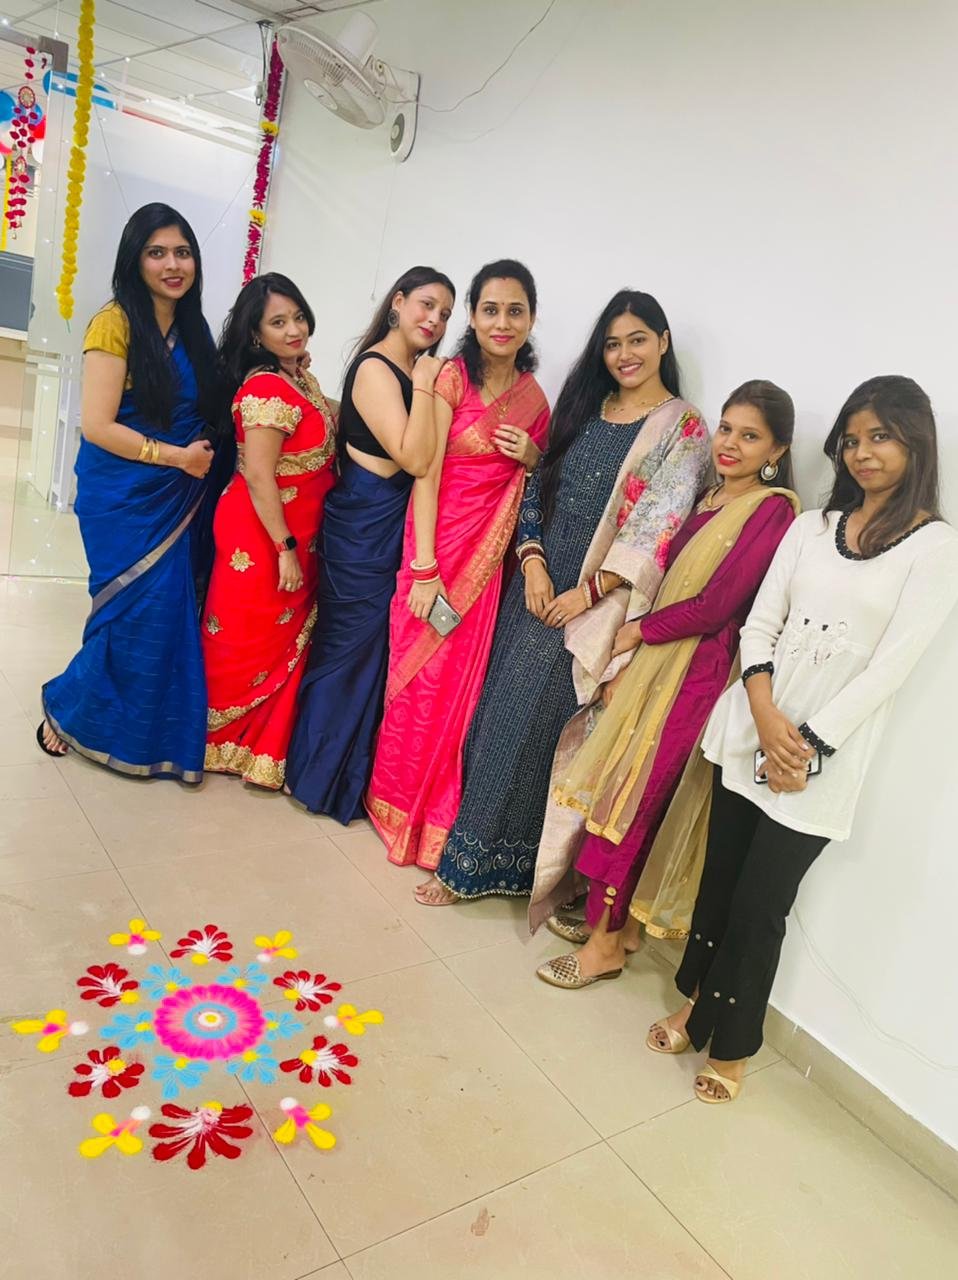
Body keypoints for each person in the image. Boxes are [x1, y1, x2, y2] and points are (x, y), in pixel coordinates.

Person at [644, 375, 958, 1103]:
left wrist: (805, 746)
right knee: (720, 884)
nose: (862, 453)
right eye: (852, 439)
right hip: (753, 729)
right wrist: (763, 714)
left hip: (820, 761)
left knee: (762, 906)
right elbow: (761, 624)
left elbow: (891, 668)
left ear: (916, 442)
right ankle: (696, 1006)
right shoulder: (813, 526)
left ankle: (734, 1047)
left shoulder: (934, 548)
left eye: (880, 437)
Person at [417, 290, 710, 906]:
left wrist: (587, 593)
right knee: (495, 718)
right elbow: (537, 480)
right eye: (613, 343)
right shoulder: (586, 406)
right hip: (536, 588)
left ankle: (507, 869)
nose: (625, 354)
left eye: (637, 340)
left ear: (663, 342)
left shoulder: (682, 427)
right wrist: (532, 564)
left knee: (541, 731)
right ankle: (466, 857)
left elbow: (657, 528)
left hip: (594, 603)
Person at [536, 382, 799, 987]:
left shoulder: (771, 510)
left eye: (750, 436)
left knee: (637, 799)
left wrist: (636, 632)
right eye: (726, 428)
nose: (730, 443)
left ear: (777, 450)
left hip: (696, 672)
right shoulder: (709, 497)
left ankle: (603, 946)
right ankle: (619, 928)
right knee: (623, 792)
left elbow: (719, 604)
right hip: (662, 663)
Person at [367, 259, 550, 869]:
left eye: (515, 311)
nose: (502, 322)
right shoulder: (450, 377)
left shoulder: (534, 399)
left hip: (486, 570)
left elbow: (541, 485)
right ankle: (394, 806)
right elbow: (426, 472)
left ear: (531, 319)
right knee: (416, 684)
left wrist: (535, 456)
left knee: (457, 696)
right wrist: (424, 568)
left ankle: (435, 822)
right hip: (435, 552)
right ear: (472, 316)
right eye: (490, 309)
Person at [40, 203, 218, 780]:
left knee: (163, 613)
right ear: (134, 260)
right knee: (125, 607)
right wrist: (177, 457)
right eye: (156, 252)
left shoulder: (194, 331)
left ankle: (147, 730)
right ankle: (69, 709)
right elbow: (97, 425)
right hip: (123, 493)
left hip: (177, 493)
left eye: (182, 252)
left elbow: (216, 399)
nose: (173, 265)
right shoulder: (114, 323)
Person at [285, 267, 455, 821]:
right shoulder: (378, 368)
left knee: (375, 652)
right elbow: (415, 457)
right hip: (362, 523)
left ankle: (347, 778)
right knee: (347, 649)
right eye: (426, 305)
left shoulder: (410, 368)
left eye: (445, 314)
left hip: (390, 524)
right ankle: (315, 774)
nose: (434, 319)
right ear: (398, 302)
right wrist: (426, 383)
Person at [203, 273, 337, 789]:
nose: (294, 329)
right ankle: (216, 739)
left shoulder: (295, 378)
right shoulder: (266, 388)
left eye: (298, 317)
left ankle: (255, 750)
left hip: (292, 533)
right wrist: (284, 547)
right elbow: (259, 475)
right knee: (246, 638)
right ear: (255, 334)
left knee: (275, 638)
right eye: (278, 323)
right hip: (262, 535)